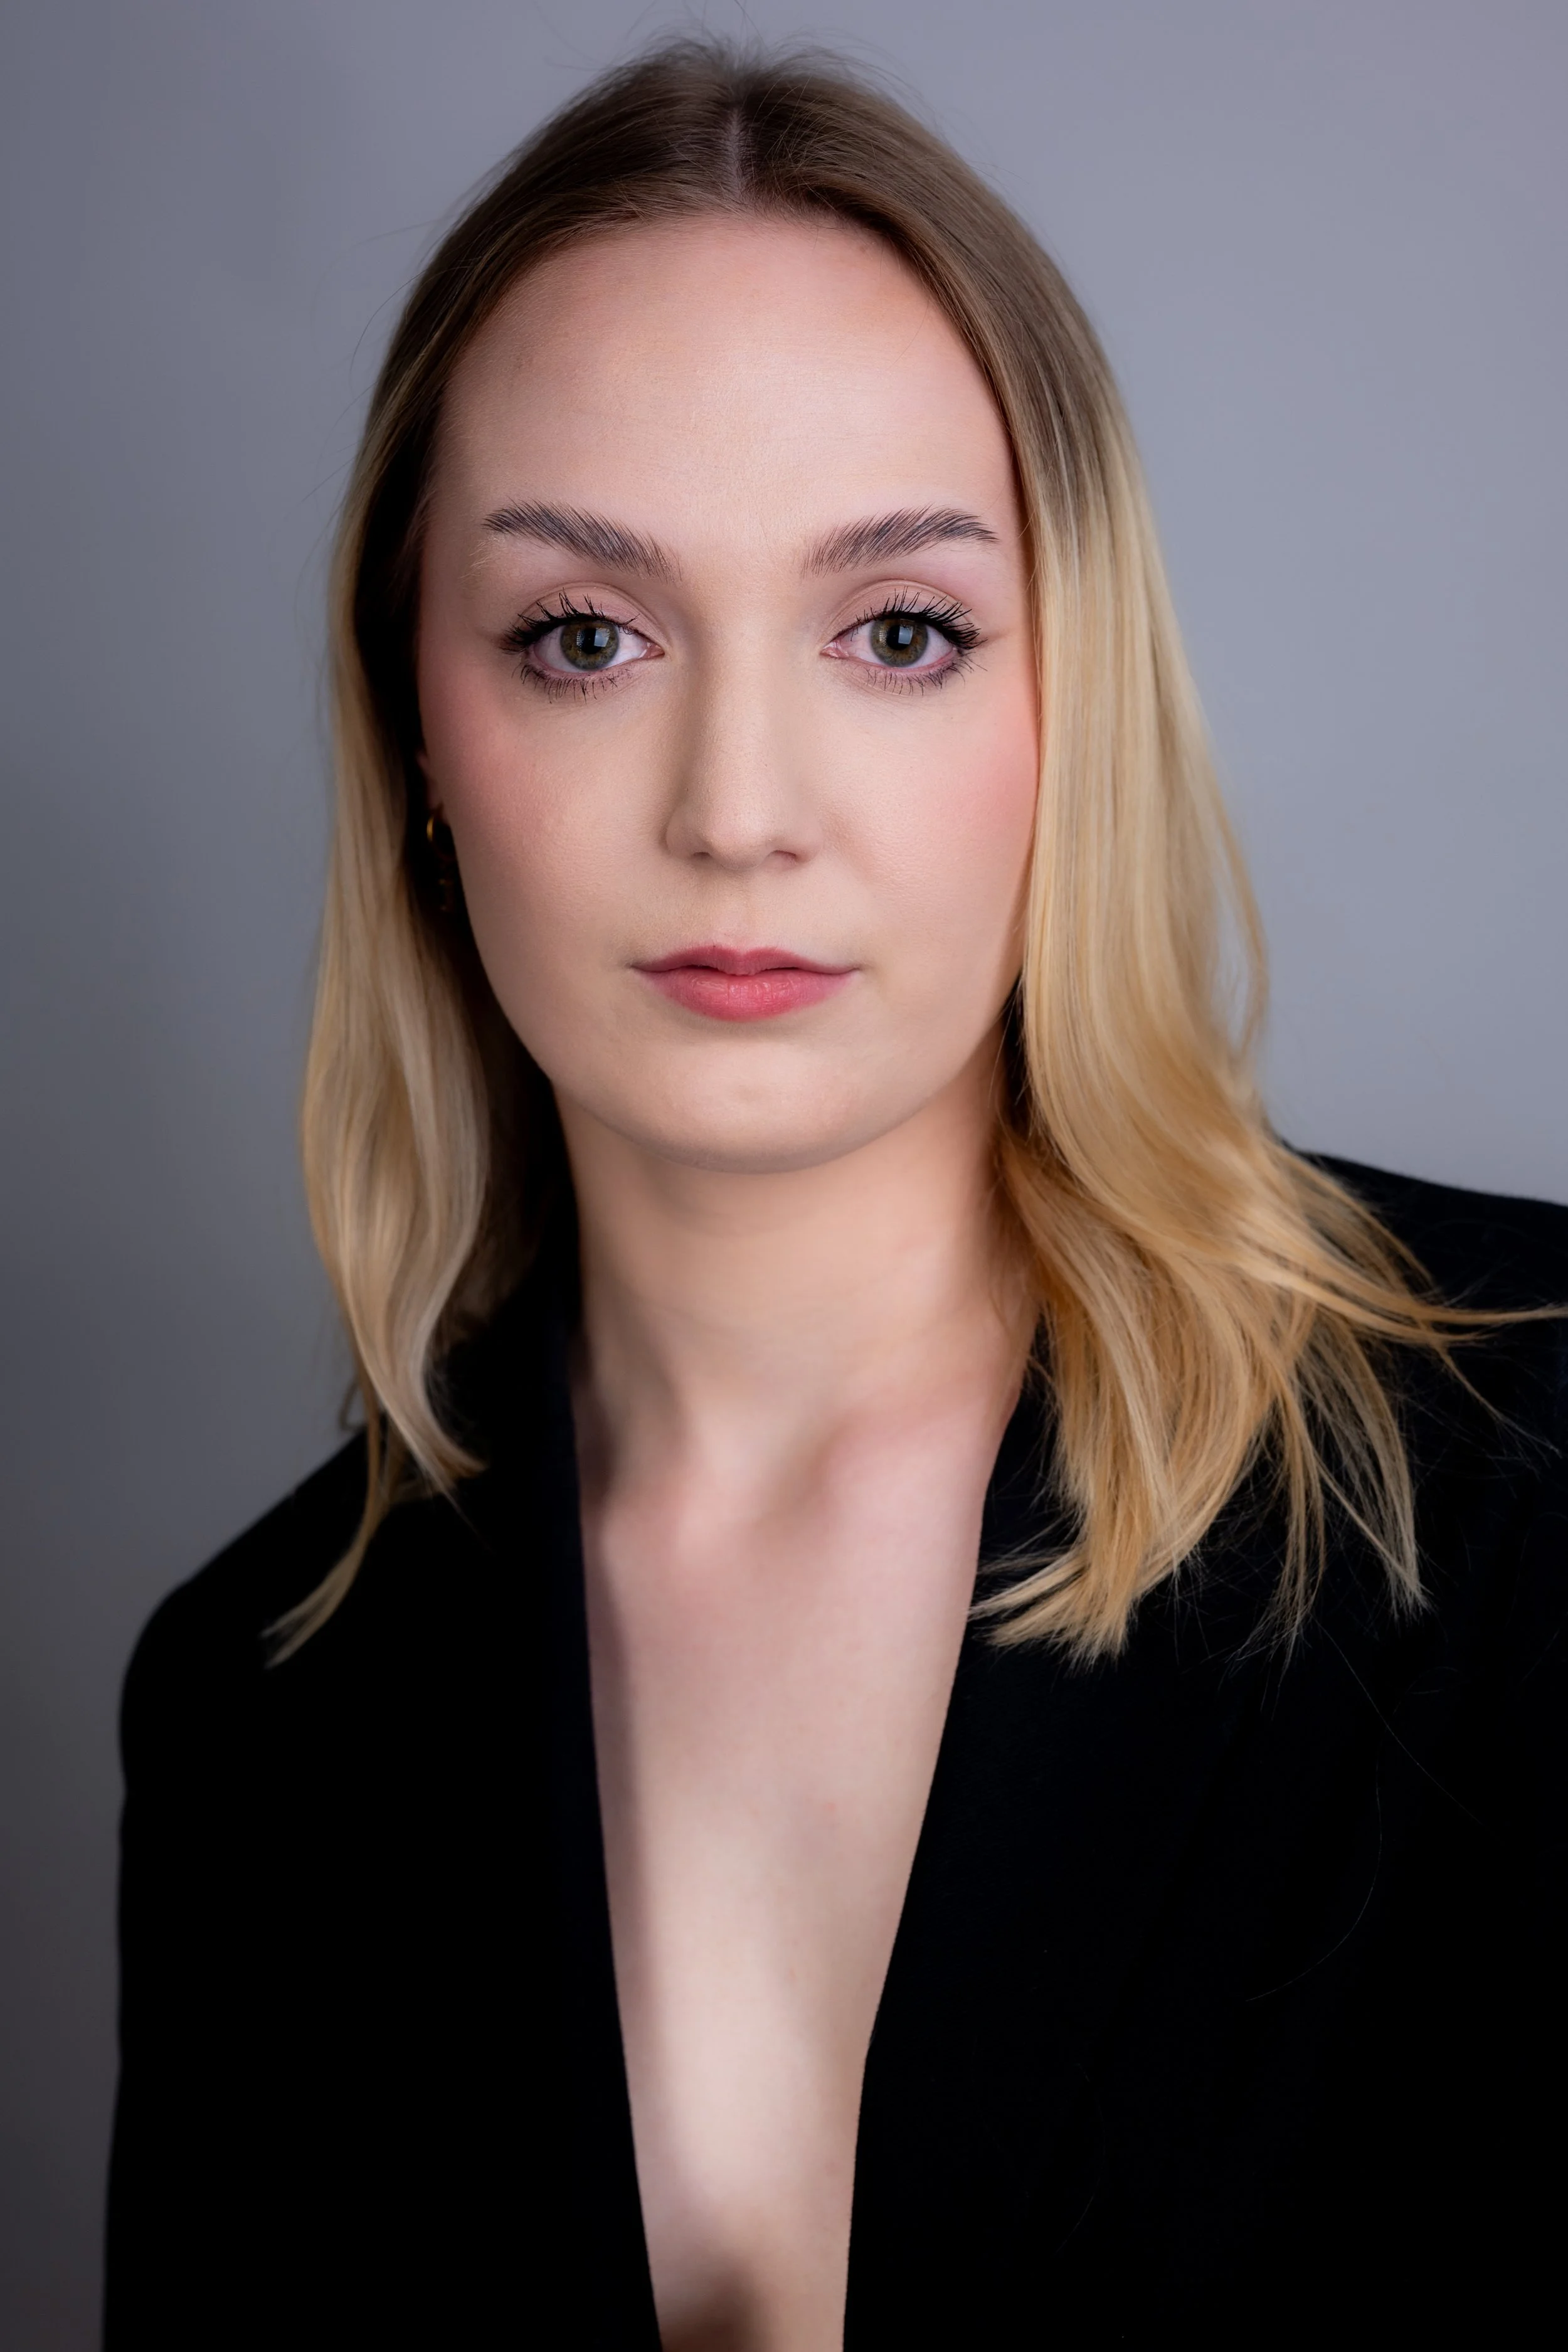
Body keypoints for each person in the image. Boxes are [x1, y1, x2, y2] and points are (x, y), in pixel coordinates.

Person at [104, 40, 1567, 2351]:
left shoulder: (1526, 1475)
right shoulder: (261, 1710)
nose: (741, 804)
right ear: (414, 723)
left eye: (895, 629)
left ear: (1064, 695)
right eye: (586, 635)